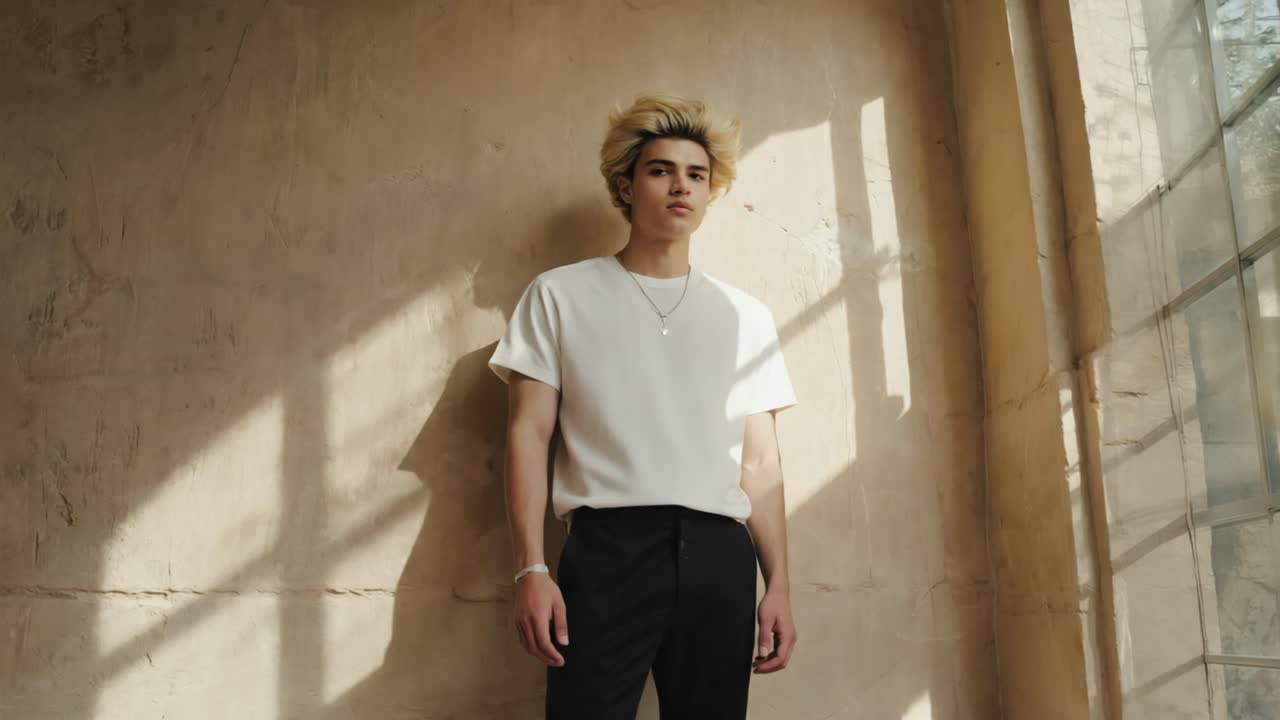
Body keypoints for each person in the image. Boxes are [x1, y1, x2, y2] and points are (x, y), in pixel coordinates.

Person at [489, 94, 798, 720]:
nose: (681, 186)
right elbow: (527, 435)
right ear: (626, 186)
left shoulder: (746, 316)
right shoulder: (560, 295)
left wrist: (779, 587)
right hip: (609, 551)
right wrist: (531, 569)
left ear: (709, 192)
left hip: (719, 556)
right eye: (661, 170)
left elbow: (760, 464)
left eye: (697, 175)